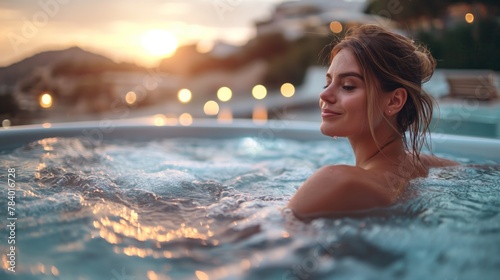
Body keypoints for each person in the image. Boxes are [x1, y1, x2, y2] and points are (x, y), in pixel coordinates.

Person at [287, 25, 458, 219]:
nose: (324, 94)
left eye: (348, 86)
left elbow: (265, 236)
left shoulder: (336, 181)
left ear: (394, 101)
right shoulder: (425, 166)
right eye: (328, 83)